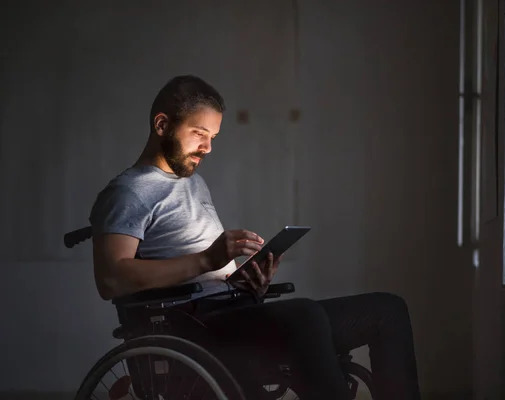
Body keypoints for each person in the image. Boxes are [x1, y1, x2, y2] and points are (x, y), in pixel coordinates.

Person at [89, 75, 421, 399]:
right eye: (199, 133)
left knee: (387, 310)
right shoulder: (128, 192)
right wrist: (207, 260)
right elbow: (111, 279)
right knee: (303, 315)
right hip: (195, 329)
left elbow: (208, 270)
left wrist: (244, 283)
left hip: (231, 311)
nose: (207, 147)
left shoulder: (192, 183)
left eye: (213, 137)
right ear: (161, 125)